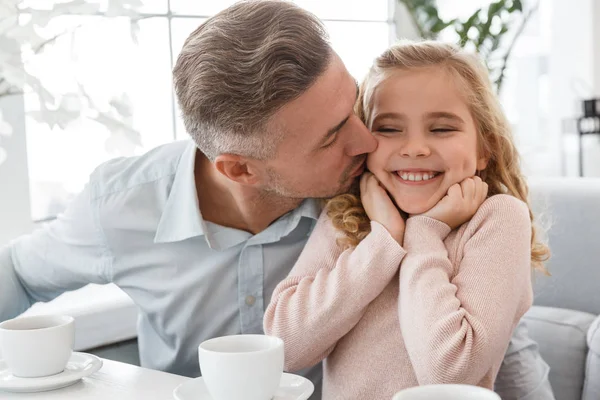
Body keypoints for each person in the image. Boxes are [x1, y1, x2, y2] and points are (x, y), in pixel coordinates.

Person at [0, 1, 553, 399]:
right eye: (336, 134)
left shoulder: (378, 189)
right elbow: (20, 276)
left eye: (356, 108)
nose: (368, 143)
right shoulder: (120, 206)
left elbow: (484, 334)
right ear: (241, 168)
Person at [264, 40, 553, 399]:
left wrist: (424, 233)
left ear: (485, 148)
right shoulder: (349, 214)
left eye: (442, 128)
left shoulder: (497, 219)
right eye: (388, 129)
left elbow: (449, 370)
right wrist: (382, 239)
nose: (414, 147)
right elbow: (284, 347)